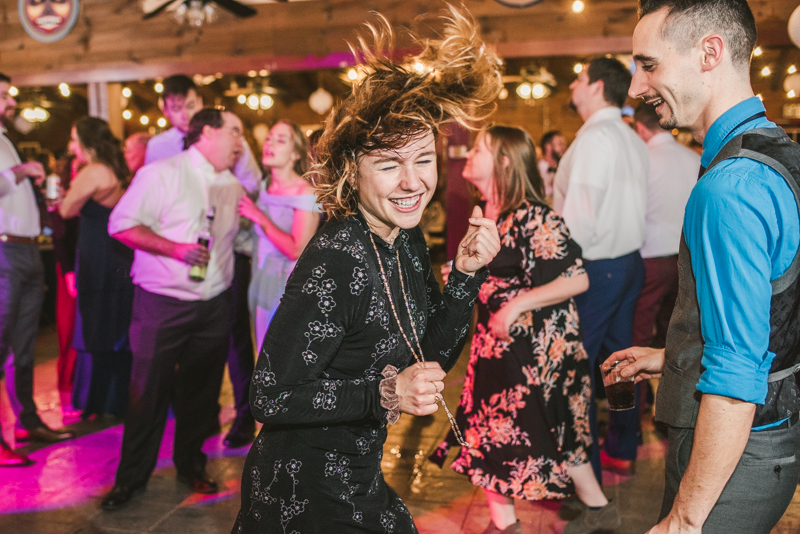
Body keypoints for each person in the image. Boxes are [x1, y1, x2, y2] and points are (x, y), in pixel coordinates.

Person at [231, 7, 503, 533]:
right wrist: (382, 393)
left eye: (422, 159)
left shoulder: (403, 239)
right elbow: (269, 394)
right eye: (388, 164)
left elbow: (428, 359)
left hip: (358, 471)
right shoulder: (334, 260)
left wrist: (466, 275)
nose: (412, 182)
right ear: (352, 173)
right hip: (302, 481)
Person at [605, 1, 800, 532]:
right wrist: (673, 356)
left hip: (736, 450)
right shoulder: (776, 150)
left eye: (649, 64)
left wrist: (685, 520)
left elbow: (738, 370)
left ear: (709, 52)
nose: (636, 88)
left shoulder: (729, 187)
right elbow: (773, 312)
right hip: (772, 435)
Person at [434, 125, 619, 534]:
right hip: (494, 351)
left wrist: (516, 304)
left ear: (503, 160)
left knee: (559, 437)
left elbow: (577, 278)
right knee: (484, 433)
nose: (469, 154)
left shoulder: (536, 215)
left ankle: (599, 511)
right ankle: (505, 524)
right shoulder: (485, 214)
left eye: (479, 148)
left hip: (539, 356)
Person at [103, 108, 246, 509]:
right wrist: (176, 249)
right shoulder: (160, 173)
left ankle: (191, 465)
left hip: (213, 304)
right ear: (207, 132)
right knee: (146, 394)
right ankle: (130, 480)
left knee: (200, 397)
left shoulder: (232, 186)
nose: (240, 142)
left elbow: (232, 242)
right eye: (234, 132)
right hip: (161, 304)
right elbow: (121, 224)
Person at [144, 75, 261, 449]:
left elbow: (252, 186)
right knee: (189, 347)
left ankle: (244, 414)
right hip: (179, 260)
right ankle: (201, 416)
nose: (183, 114)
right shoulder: (158, 148)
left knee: (232, 337)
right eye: (175, 108)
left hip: (228, 250)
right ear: (165, 108)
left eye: (189, 105)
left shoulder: (229, 138)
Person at [552, 57, 649, 481]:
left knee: (573, 369)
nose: (572, 83)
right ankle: (622, 446)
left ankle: (582, 474)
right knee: (620, 363)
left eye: (578, 77)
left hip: (595, 268)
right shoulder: (628, 137)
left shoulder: (595, 138)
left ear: (594, 86)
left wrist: (557, 272)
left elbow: (579, 218)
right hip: (629, 263)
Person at [0, 72, 75, 448]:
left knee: (24, 346)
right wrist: (22, 171)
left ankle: (27, 420)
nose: (10, 103)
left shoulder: (5, 139)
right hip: (4, 251)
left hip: (27, 249)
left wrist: (45, 206)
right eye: (3, 96)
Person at [58, 117, 135, 419]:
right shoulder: (113, 169)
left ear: (87, 142)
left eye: (74, 139)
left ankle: (100, 404)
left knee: (98, 329)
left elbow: (66, 209)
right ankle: (111, 401)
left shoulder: (94, 171)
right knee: (112, 328)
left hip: (99, 258)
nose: (70, 145)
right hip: (112, 254)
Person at [238, 120, 319, 347]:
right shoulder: (264, 187)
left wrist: (258, 216)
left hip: (287, 287)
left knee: (282, 352)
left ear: (295, 154)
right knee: (262, 350)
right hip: (260, 277)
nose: (270, 144)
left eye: (280, 140)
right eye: (269, 138)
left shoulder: (306, 193)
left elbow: (296, 250)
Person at [630, 104, 698, 351]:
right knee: (673, 329)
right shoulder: (693, 157)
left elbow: (632, 209)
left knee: (640, 330)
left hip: (651, 256)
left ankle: (639, 389)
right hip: (685, 256)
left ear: (640, 127)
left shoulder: (642, 159)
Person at [51, 154, 81, 418]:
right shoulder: (60, 198)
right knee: (69, 330)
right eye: (75, 168)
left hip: (89, 267)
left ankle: (83, 391)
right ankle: (66, 389)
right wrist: (70, 272)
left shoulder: (88, 195)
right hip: (70, 268)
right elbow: (60, 238)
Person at [537, 130, 566, 201]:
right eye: (560, 144)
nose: (564, 147)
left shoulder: (563, 170)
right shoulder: (536, 170)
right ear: (548, 147)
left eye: (564, 144)